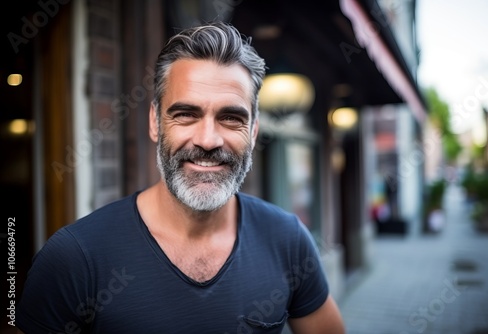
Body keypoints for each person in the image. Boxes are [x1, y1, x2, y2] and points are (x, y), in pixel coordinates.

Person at [17, 21, 345, 333]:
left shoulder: (287, 239)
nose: (207, 140)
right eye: (186, 115)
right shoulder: (74, 258)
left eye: (231, 118)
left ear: (254, 132)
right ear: (155, 123)